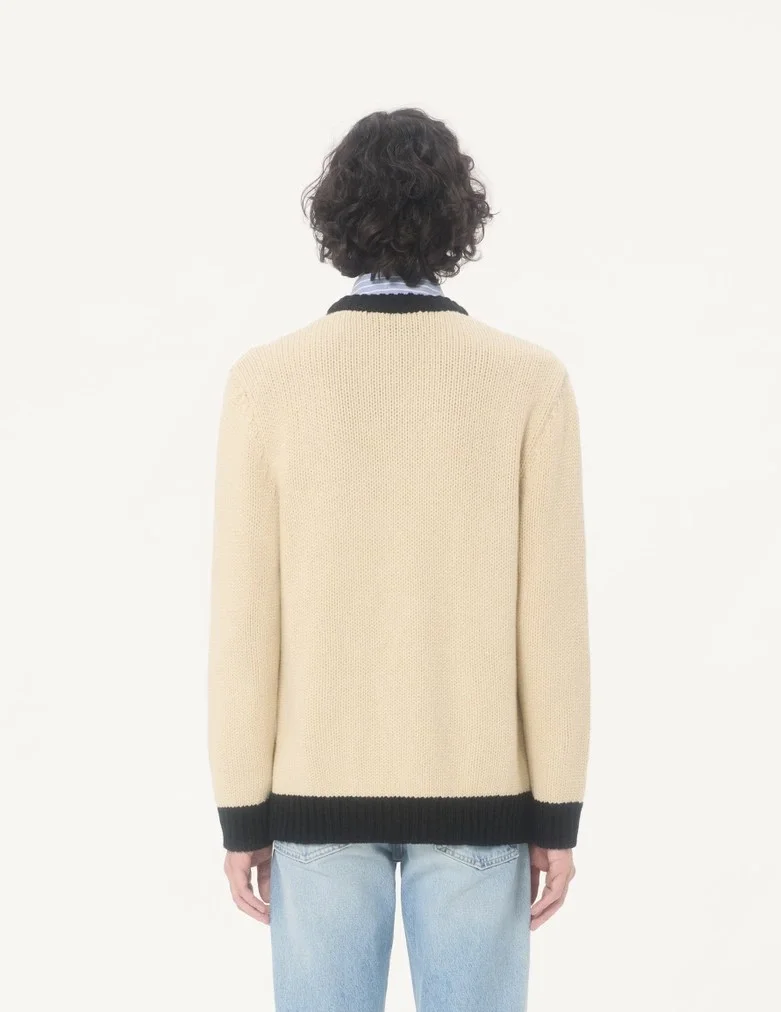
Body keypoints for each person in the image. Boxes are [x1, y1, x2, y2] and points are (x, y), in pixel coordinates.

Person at [206, 107, 591, 1012]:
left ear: (336, 218)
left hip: (314, 797)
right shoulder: (529, 381)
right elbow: (553, 619)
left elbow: (244, 621)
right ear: (459, 221)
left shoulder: (267, 382)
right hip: (482, 796)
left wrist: (241, 811)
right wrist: (558, 810)